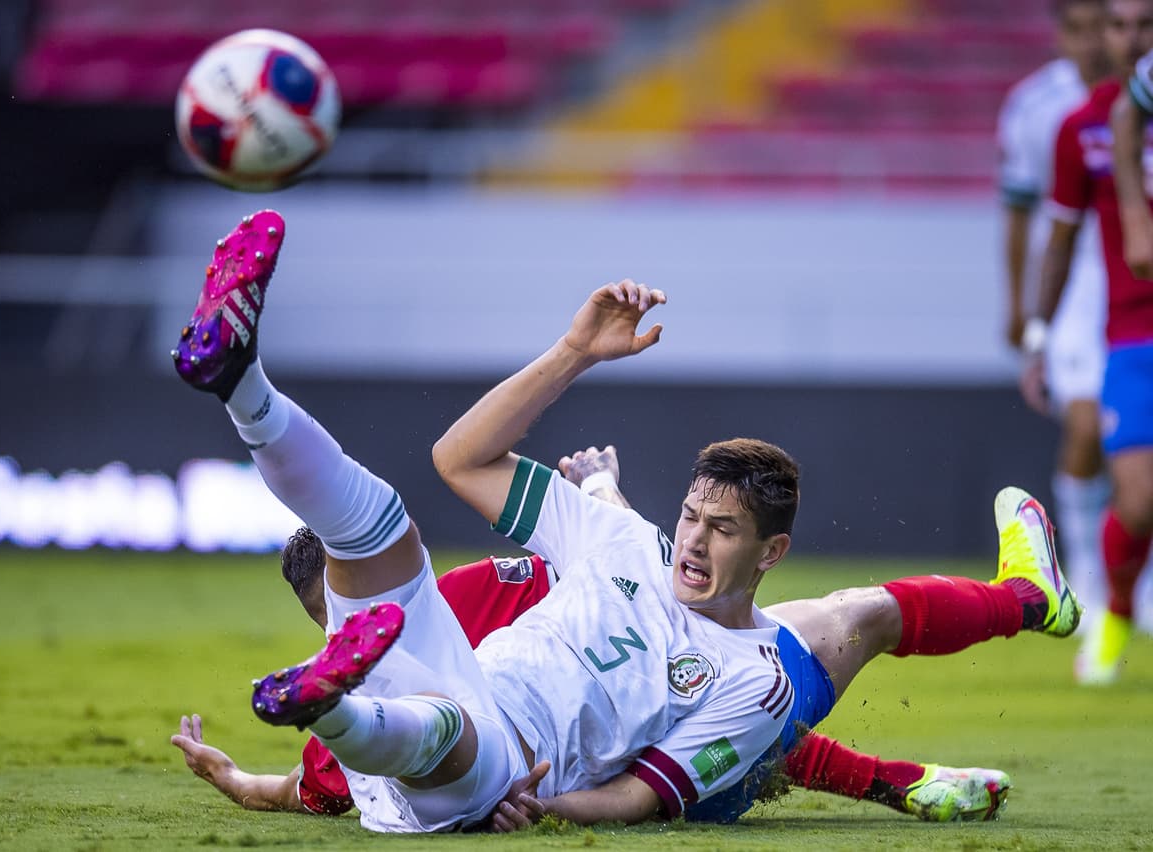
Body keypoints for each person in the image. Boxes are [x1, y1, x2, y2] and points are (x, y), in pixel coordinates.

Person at [173, 211, 1076, 832]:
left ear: (773, 552)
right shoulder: (620, 542)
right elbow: (462, 461)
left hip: (492, 769)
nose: (692, 540)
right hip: (450, 724)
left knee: (446, 722)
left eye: (721, 531)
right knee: (380, 532)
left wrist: (543, 807)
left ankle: (335, 703)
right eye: (690, 516)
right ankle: (243, 381)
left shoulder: (754, 677)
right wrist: (574, 353)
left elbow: (640, 799)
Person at [173, 457, 1012, 825]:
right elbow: (305, 788)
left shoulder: (470, 599)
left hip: (643, 710)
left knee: (731, 685)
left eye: (346, 612)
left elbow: (621, 580)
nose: (347, 626)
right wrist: (238, 778)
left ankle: (915, 770)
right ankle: (909, 779)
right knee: (762, 693)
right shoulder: (433, 621)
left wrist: (604, 495)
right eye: (337, 621)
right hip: (617, 769)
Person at [1027, 0, 1153, 684]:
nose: (1132, 39)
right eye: (1120, 25)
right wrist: (1039, 335)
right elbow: (1063, 234)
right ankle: (1116, 610)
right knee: (1135, 499)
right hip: (1133, 332)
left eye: (1146, 26)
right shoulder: (1084, 128)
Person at [1001, 0, 1111, 628]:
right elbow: (1019, 212)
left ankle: (1130, 578)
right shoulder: (1036, 107)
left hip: (1131, 277)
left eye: (1109, 24)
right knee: (1087, 424)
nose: (1094, 40)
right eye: (1081, 26)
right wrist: (1021, 305)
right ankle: (1086, 573)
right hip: (1073, 285)